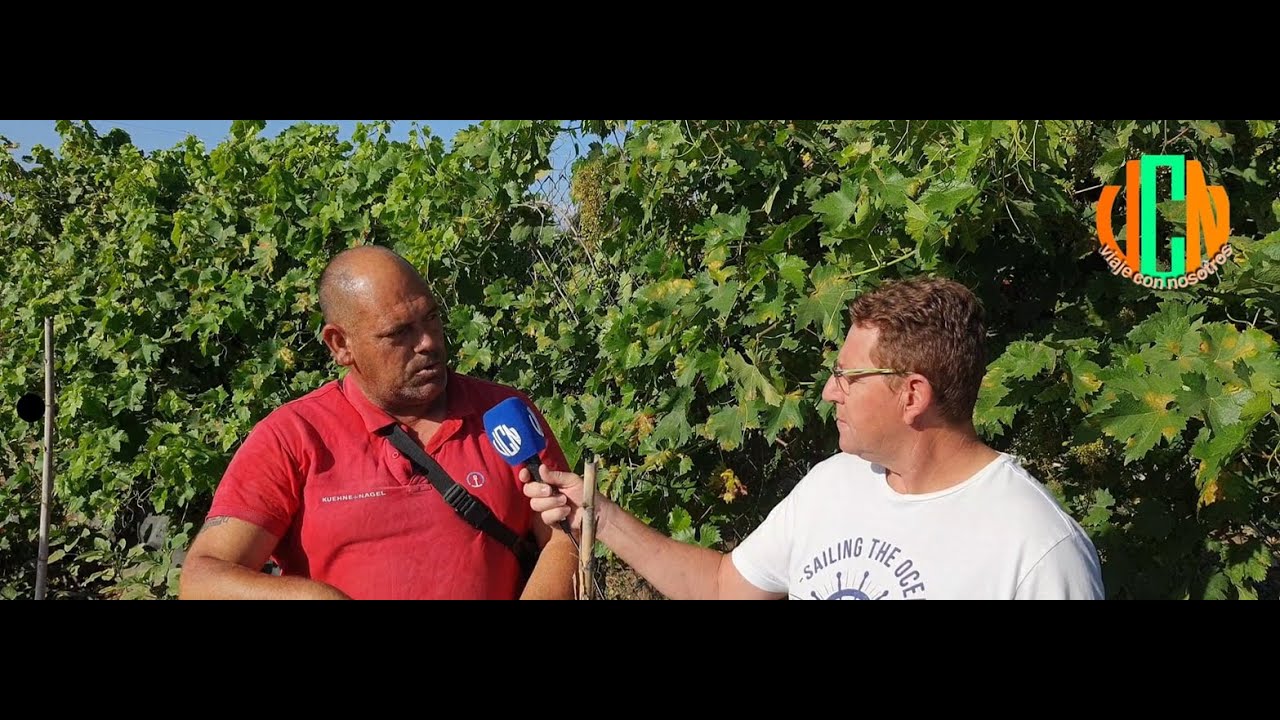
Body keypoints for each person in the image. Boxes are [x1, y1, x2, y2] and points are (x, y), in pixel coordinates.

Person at [524, 276, 1104, 600]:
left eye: (848, 377)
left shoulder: (1035, 551)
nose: (830, 392)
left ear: (912, 395)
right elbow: (726, 587)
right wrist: (599, 517)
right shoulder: (835, 485)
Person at [179, 245, 578, 600]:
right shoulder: (293, 436)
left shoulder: (502, 414)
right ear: (341, 345)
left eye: (431, 318)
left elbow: (567, 537)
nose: (428, 342)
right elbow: (202, 578)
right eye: (399, 332)